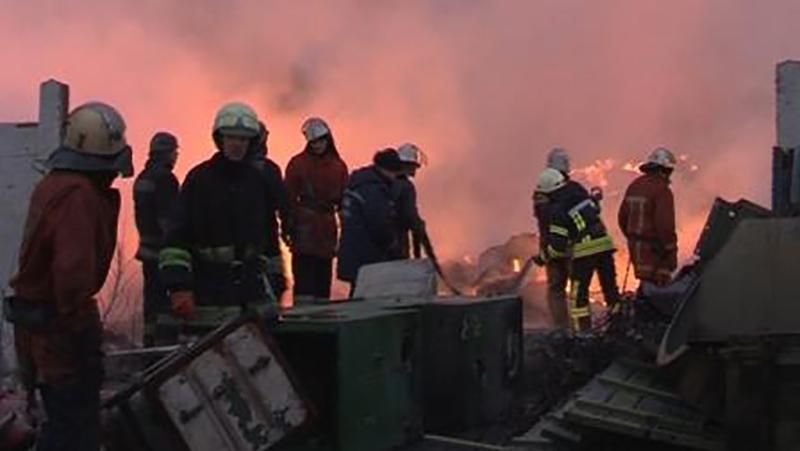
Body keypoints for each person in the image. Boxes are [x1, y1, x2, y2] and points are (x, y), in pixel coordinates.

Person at [8, 102, 133, 451]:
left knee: (63, 422)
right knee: (73, 431)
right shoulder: (78, 196)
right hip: (60, 329)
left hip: (43, 325)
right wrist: (79, 329)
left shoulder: (55, 185)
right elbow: (72, 274)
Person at [158, 102, 282, 335]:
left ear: (252, 142)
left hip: (252, 298)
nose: (237, 144)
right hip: (209, 299)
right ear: (220, 139)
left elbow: (270, 237)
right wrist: (179, 287)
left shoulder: (257, 182)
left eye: (244, 139)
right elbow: (176, 239)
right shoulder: (199, 180)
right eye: (232, 137)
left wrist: (277, 282)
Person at [538, 168, 620, 332]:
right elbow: (594, 210)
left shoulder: (557, 210)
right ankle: (619, 325)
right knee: (610, 290)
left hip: (585, 251)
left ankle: (581, 334)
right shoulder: (579, 194)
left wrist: (543, 256)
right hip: (604, 245)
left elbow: (558, 247)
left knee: (577, 297)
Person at [285, 117, 348, 303]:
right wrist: (288, 228)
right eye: (314, 142)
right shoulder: (298, 164)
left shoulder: (339, 166)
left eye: (321, 141)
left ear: (328, 139)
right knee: (304, 281)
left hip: (327, 230)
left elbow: (344, 201)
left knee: (323, 280)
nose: (318, 145)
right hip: (304, 228)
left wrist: (346, 233)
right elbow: (288, 197)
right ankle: (302, 320)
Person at [532, 147, 588, 329]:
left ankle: (560, 328)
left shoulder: (540, 192)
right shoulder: (575, 190)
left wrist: (544, 250)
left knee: (555, 289)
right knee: (576, 290)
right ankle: (579, 329)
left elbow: (541, 220)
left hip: (550, 247)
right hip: (573, 247)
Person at [337, 148, 405, 295]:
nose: (395, 177)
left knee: (357, 294)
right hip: (367, 257)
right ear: (387, 169)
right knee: (367, 301)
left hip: (352, 252)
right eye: (394, 172)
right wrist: (393, 245)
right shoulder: (374, 189)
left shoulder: (358, 183)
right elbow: (379, 225)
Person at [133, 131, 179, 346]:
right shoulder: (165, 179)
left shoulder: (143, 178)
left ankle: (149, 346)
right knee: (165, 307)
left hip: (147, 251)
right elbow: (168, 220)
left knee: (151, 304)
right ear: (169, 153)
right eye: (174, 152)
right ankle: (164, 349)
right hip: (163, 253)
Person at [618, 147, 678, 291]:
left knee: (646, 284)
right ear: (664, 170)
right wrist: (671, 250)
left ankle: (642, 307)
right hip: (656, 251)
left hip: (636, 248)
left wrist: (633, 238)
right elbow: (665, 226)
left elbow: (622, 218)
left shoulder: (634, 186)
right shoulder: (662, 190)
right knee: (658, 291)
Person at [246, 121, 290, 302]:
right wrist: (288, 230)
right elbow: (283, 205)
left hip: (241, 243)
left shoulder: (229, 169)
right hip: (267, 240)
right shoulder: (269, 169)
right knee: (273, 286)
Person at [394, 142, 428, 259]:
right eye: (414, 165)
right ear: (407, 164)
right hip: (398, 239)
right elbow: (410, 215)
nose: (415, 169)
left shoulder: (385, 182)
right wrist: (419, 224)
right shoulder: (406, 187)